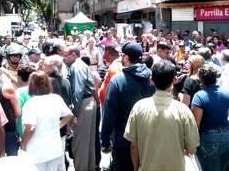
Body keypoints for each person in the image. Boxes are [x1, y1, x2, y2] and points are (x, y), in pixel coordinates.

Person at [124, 60, 199, 171]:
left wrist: (136, 168)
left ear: (151, 80)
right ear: (174, 80)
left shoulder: (138, 107)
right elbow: (192, 149)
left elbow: (134, 145)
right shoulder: (184, 111)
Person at [101, 41, 155, 171]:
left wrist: (105, 139)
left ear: (126, 58)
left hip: (123, 139)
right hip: (148, 137)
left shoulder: (118, 80)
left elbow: (109, 114)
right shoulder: (153, 77)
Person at [20, 71, 73, 171]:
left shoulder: (30, 104)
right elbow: (69, 115)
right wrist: (58, 125)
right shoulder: (56, 98)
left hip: (37, 153)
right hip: (55, 150)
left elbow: (31, 128)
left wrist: (22, 145)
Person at [192, 64, 229, 171]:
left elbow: (195, 124)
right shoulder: (227, 93)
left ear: (201, 79)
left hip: (209, 140)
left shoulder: (199, 96)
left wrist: (190, 143)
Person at [62, 46, 97, 171]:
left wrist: (74, 114)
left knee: (80, 144)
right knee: (87, 143)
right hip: (87, 103)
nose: (63, 58)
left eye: (65, 55)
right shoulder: (80, 65)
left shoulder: (76, 66)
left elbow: (78, 91)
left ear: (73, 54)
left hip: (82, 104)